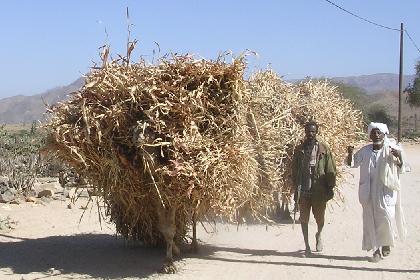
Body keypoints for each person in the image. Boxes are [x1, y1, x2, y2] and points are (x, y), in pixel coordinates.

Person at [346, 122, 408, 262]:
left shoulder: (392, 149)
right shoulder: (365, 151)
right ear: (370, 135)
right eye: (373, 133)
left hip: (386, 192)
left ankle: (386, 243)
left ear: (384, 134)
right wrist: (350, 153)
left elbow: (402, 168)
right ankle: (376, 250)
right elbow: (352, 164)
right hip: (368, 192)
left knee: (386, 217)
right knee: (370, 221)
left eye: (379, 132)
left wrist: (399, 157)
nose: (376, 135)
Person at [292, 121, 336, 257]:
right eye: (308, 132)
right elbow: (295, 170)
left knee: (320, 219)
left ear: (316, 132)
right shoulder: (299, 150)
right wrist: (296, 187)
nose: (310, 134)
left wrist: (330, 186)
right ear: (305, 132)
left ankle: (318, 234)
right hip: (304, 190)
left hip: (319, 190)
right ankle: (307, 246)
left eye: (313, 132)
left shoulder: (323, 149)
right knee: (304, 219)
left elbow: (330, 168)